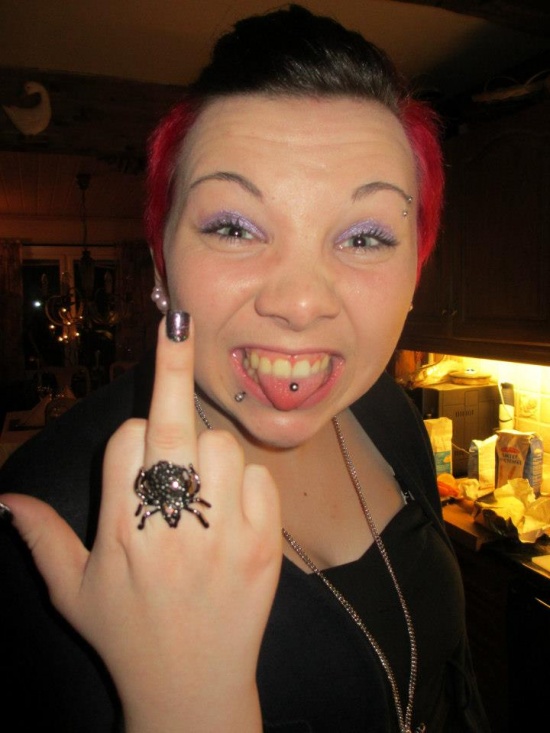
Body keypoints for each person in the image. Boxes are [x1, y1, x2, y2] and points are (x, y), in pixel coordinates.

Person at [0, 5, 490, 732]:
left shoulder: (391, 418)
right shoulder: (63, 516)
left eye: (364, 237)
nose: (299, 301)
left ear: (415, 272)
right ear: (161, 262)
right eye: (233, 227)